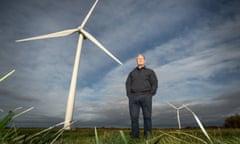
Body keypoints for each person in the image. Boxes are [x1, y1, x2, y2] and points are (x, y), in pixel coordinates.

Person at [125, 54, 158, 138]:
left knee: (147, 117)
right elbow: (128, 83)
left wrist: (151, 93)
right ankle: (135, 137)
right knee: (134, 118)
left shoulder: (150, 72)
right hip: (133, 98)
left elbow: (154, 82)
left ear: (144, 60)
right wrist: (129, 95)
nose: (140, 60)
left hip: (146, 96)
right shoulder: (132, 73)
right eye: (138, 58)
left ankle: (147, 136)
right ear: (136, 61)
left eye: (141, 58)